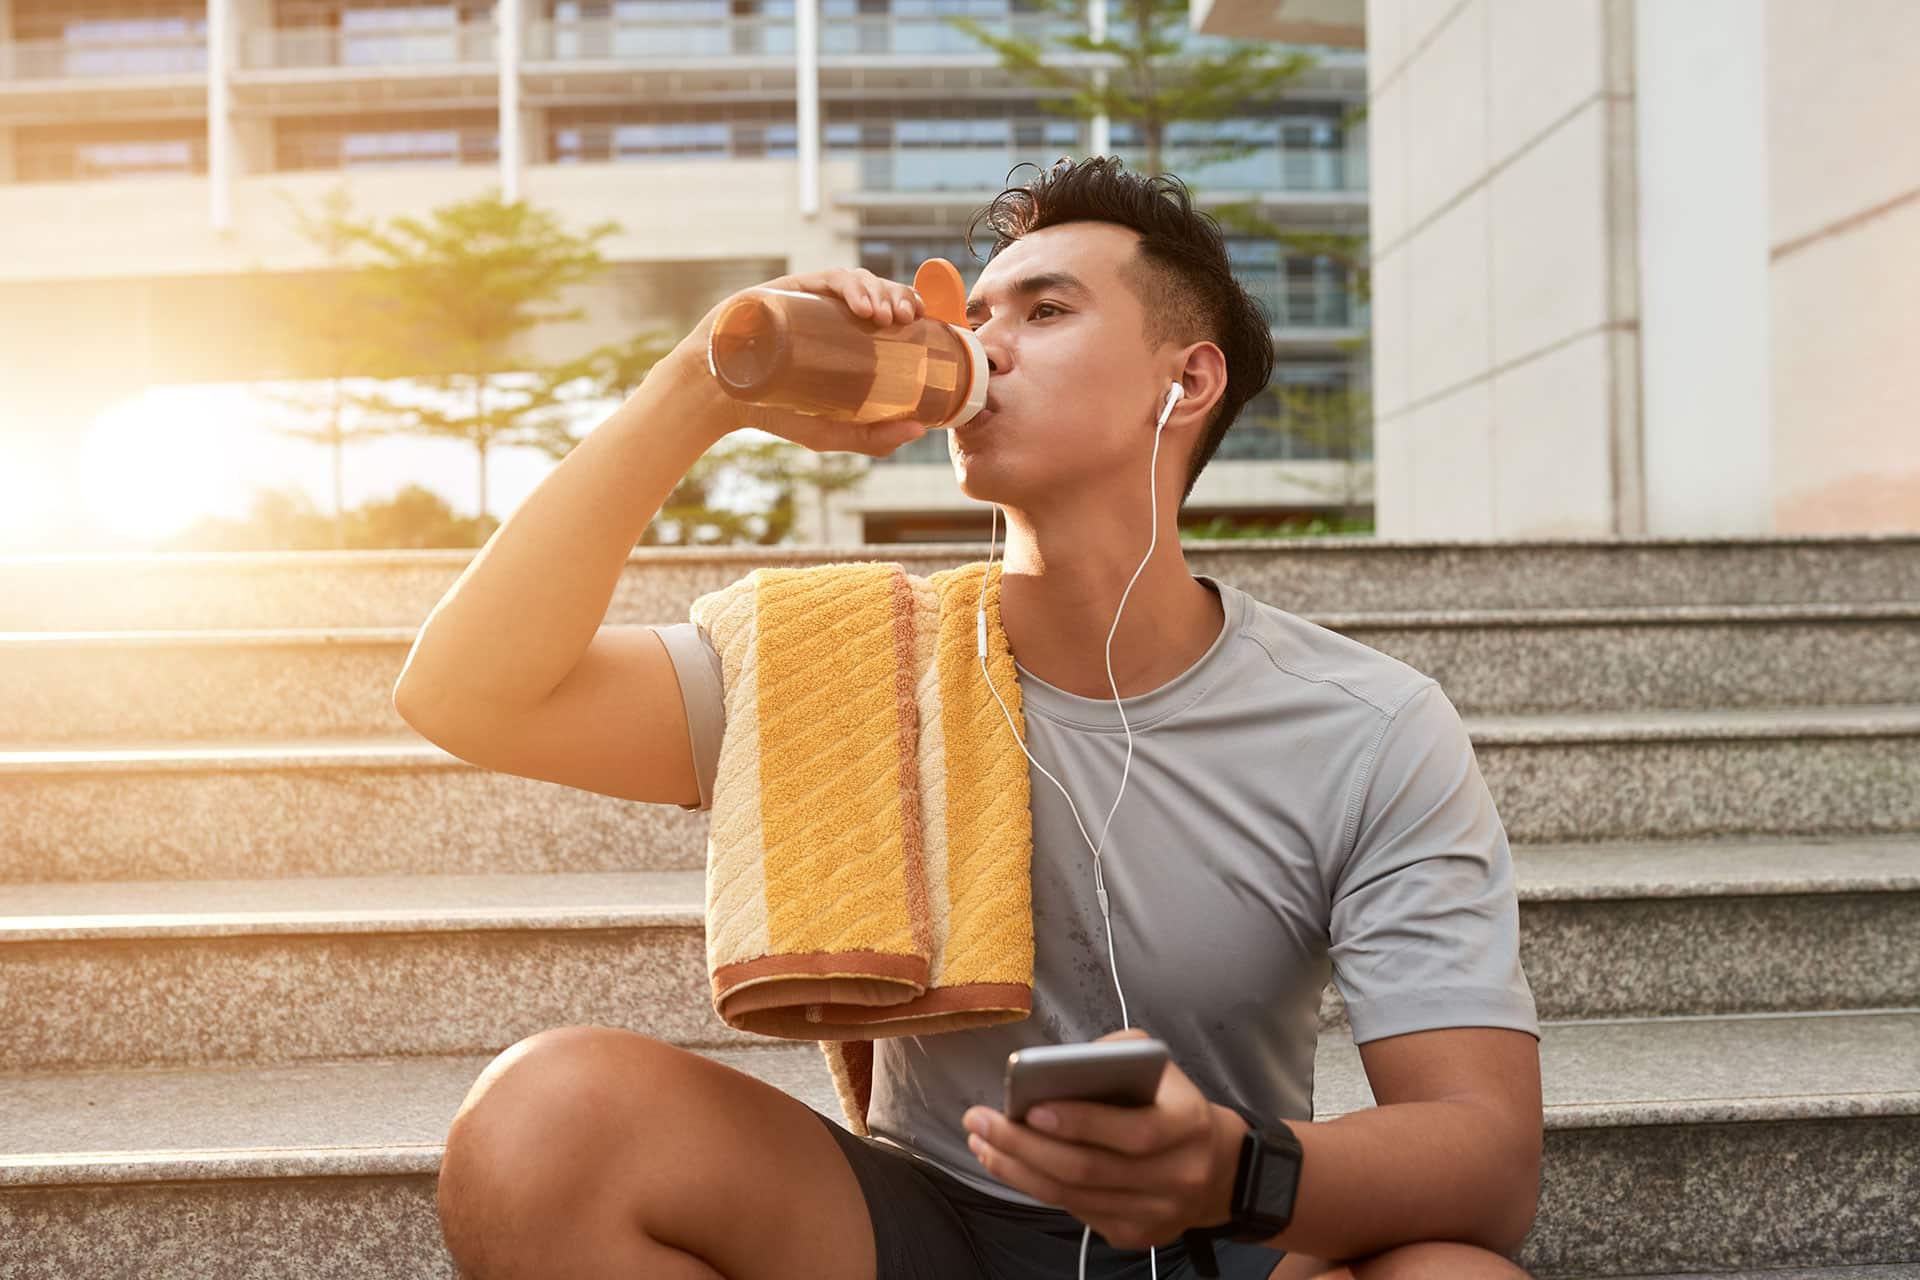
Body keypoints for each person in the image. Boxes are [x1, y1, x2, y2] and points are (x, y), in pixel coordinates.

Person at [398, 156, 1543, 1280]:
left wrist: (1225, 1173)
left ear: (1183, 384)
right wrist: (705, 381)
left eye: (1046, 310)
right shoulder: (851, 663)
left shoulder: (1367, 725)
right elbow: (467, 694)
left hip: (1226, 1229)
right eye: (977, 311)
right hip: (933, 1224)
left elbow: (1485, 1158)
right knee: (547, 1117)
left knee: (1455, 1273)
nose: (982, 342)